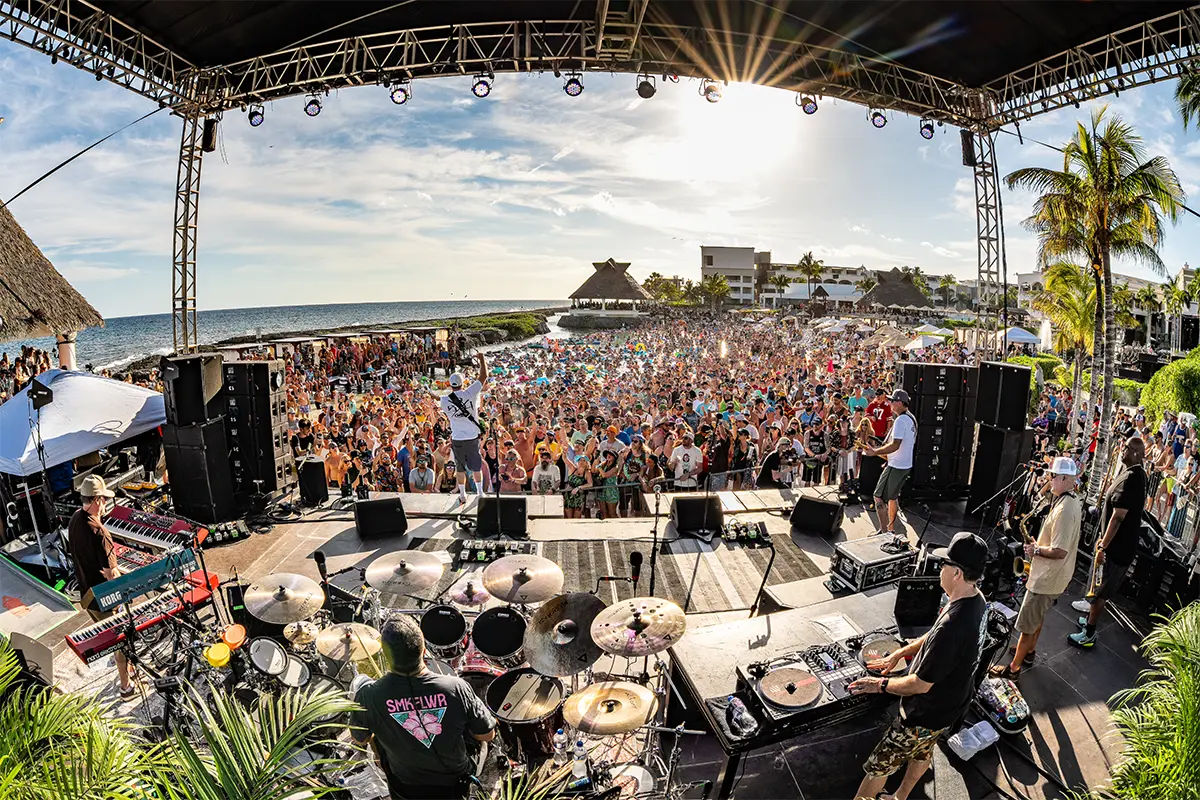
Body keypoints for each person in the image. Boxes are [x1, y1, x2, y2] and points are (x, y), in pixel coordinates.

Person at [849, 532, 988, 800]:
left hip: (924, 713)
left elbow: (920, 685)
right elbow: (936, 633)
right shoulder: (975, 598)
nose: (940, 569)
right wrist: (901, 651)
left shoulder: (954, 625)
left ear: (957, 573)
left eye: (944, 564)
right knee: (924, 750)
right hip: (950, 708)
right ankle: (900, 798)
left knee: (879, 768)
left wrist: (878, 685)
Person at [352, 615, 496, 799]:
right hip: (453, 784)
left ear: (386, 657)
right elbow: (486, 735)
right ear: (424, 650)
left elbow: (360, 739)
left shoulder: (368, 695)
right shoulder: (456, 687)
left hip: (405, 785)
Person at [990, 456, 1080, 677]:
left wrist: (1035, 550)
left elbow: (1060, 551)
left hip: (1047, 578)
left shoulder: (1065, 510)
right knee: (1037, 617)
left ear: (1064, 478)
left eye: (1052, 477)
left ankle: (1013, 668)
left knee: (1027, 624)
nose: (1049, 480)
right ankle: (1028, 652)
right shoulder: (1069, 501)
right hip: (1051, 576)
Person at [1070, 435, 1146, 648]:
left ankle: (1090, 634)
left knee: (1100, 592)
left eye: (1127, 447)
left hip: (1116, 548)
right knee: (1097, 588)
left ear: (1136, 454)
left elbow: (1119, 517)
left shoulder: (1132, 478)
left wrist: (1103, 545)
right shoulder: (1133, 473)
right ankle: (1090, 622)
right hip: (1116, 545)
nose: (1123, 449)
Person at [67, 475, 136, 697]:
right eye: (104, 499)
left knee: (113, 637)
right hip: (103, 598)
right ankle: (126, 687)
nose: (106, 504)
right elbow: (111, 575)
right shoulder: (100, 532)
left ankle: (130, 670)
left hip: (86, 596)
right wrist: (132, 581)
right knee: (120, 641)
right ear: (97, 500)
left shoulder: (75, 519)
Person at [438, 353, 488, 505]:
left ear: (450, 384)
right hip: (472, 436)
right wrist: (481, 359)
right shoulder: (470, 392)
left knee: (460, 467)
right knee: (475, 465)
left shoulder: (444, 400)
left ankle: (463, 495)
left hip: (457, 438)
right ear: (463, 382)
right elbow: (483, 376)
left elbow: (439, 400)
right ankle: (480, 493)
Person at [866, 390, 916, 535]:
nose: (890, 403)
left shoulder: (901, 420)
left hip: (897, 466)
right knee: (893, 498)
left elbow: (895, 444)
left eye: (892, 401)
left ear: (900, 403)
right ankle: (891, 529)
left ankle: (883, 531)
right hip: (904, 464)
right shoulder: (911, 418)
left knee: (878, 497)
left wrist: (875, 452)